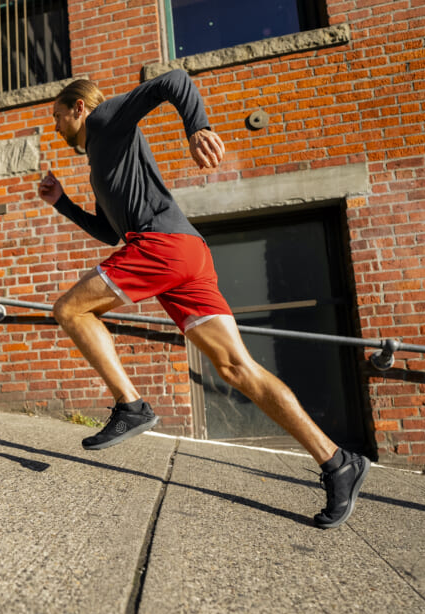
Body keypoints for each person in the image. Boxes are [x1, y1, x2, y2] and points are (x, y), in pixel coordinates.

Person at [38, 69, 370, 529]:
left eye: (56, 116)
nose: (55, 128)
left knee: (69, 308)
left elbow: (173, 81)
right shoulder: (100, 165)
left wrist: (198, 128)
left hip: (162, 246)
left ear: (78, 107)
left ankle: (131, 405)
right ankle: (337, 462)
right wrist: (62, 203)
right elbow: (109, 233)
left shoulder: (107, 117)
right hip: (186, 252)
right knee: (237, 368)